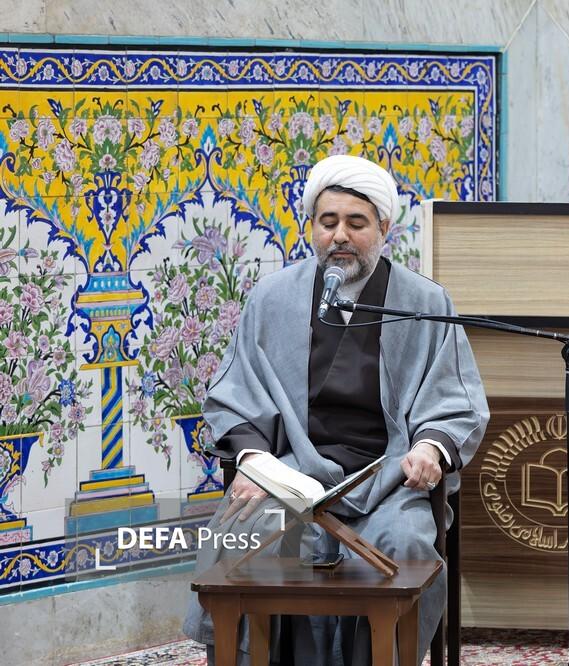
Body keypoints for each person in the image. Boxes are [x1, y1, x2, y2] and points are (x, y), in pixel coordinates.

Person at [182, 154, 490, 665]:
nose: (340, 236)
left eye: (356, 223)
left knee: (404, 543)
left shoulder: (423, 301)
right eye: (328, 222)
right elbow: (236, 393)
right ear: (311, 227)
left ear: (384, 228)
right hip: (292, 473)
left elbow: (455, 401)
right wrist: (254, 461)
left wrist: (430, 448)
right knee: (243, 534)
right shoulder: (273, 298)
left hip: (389, 478)